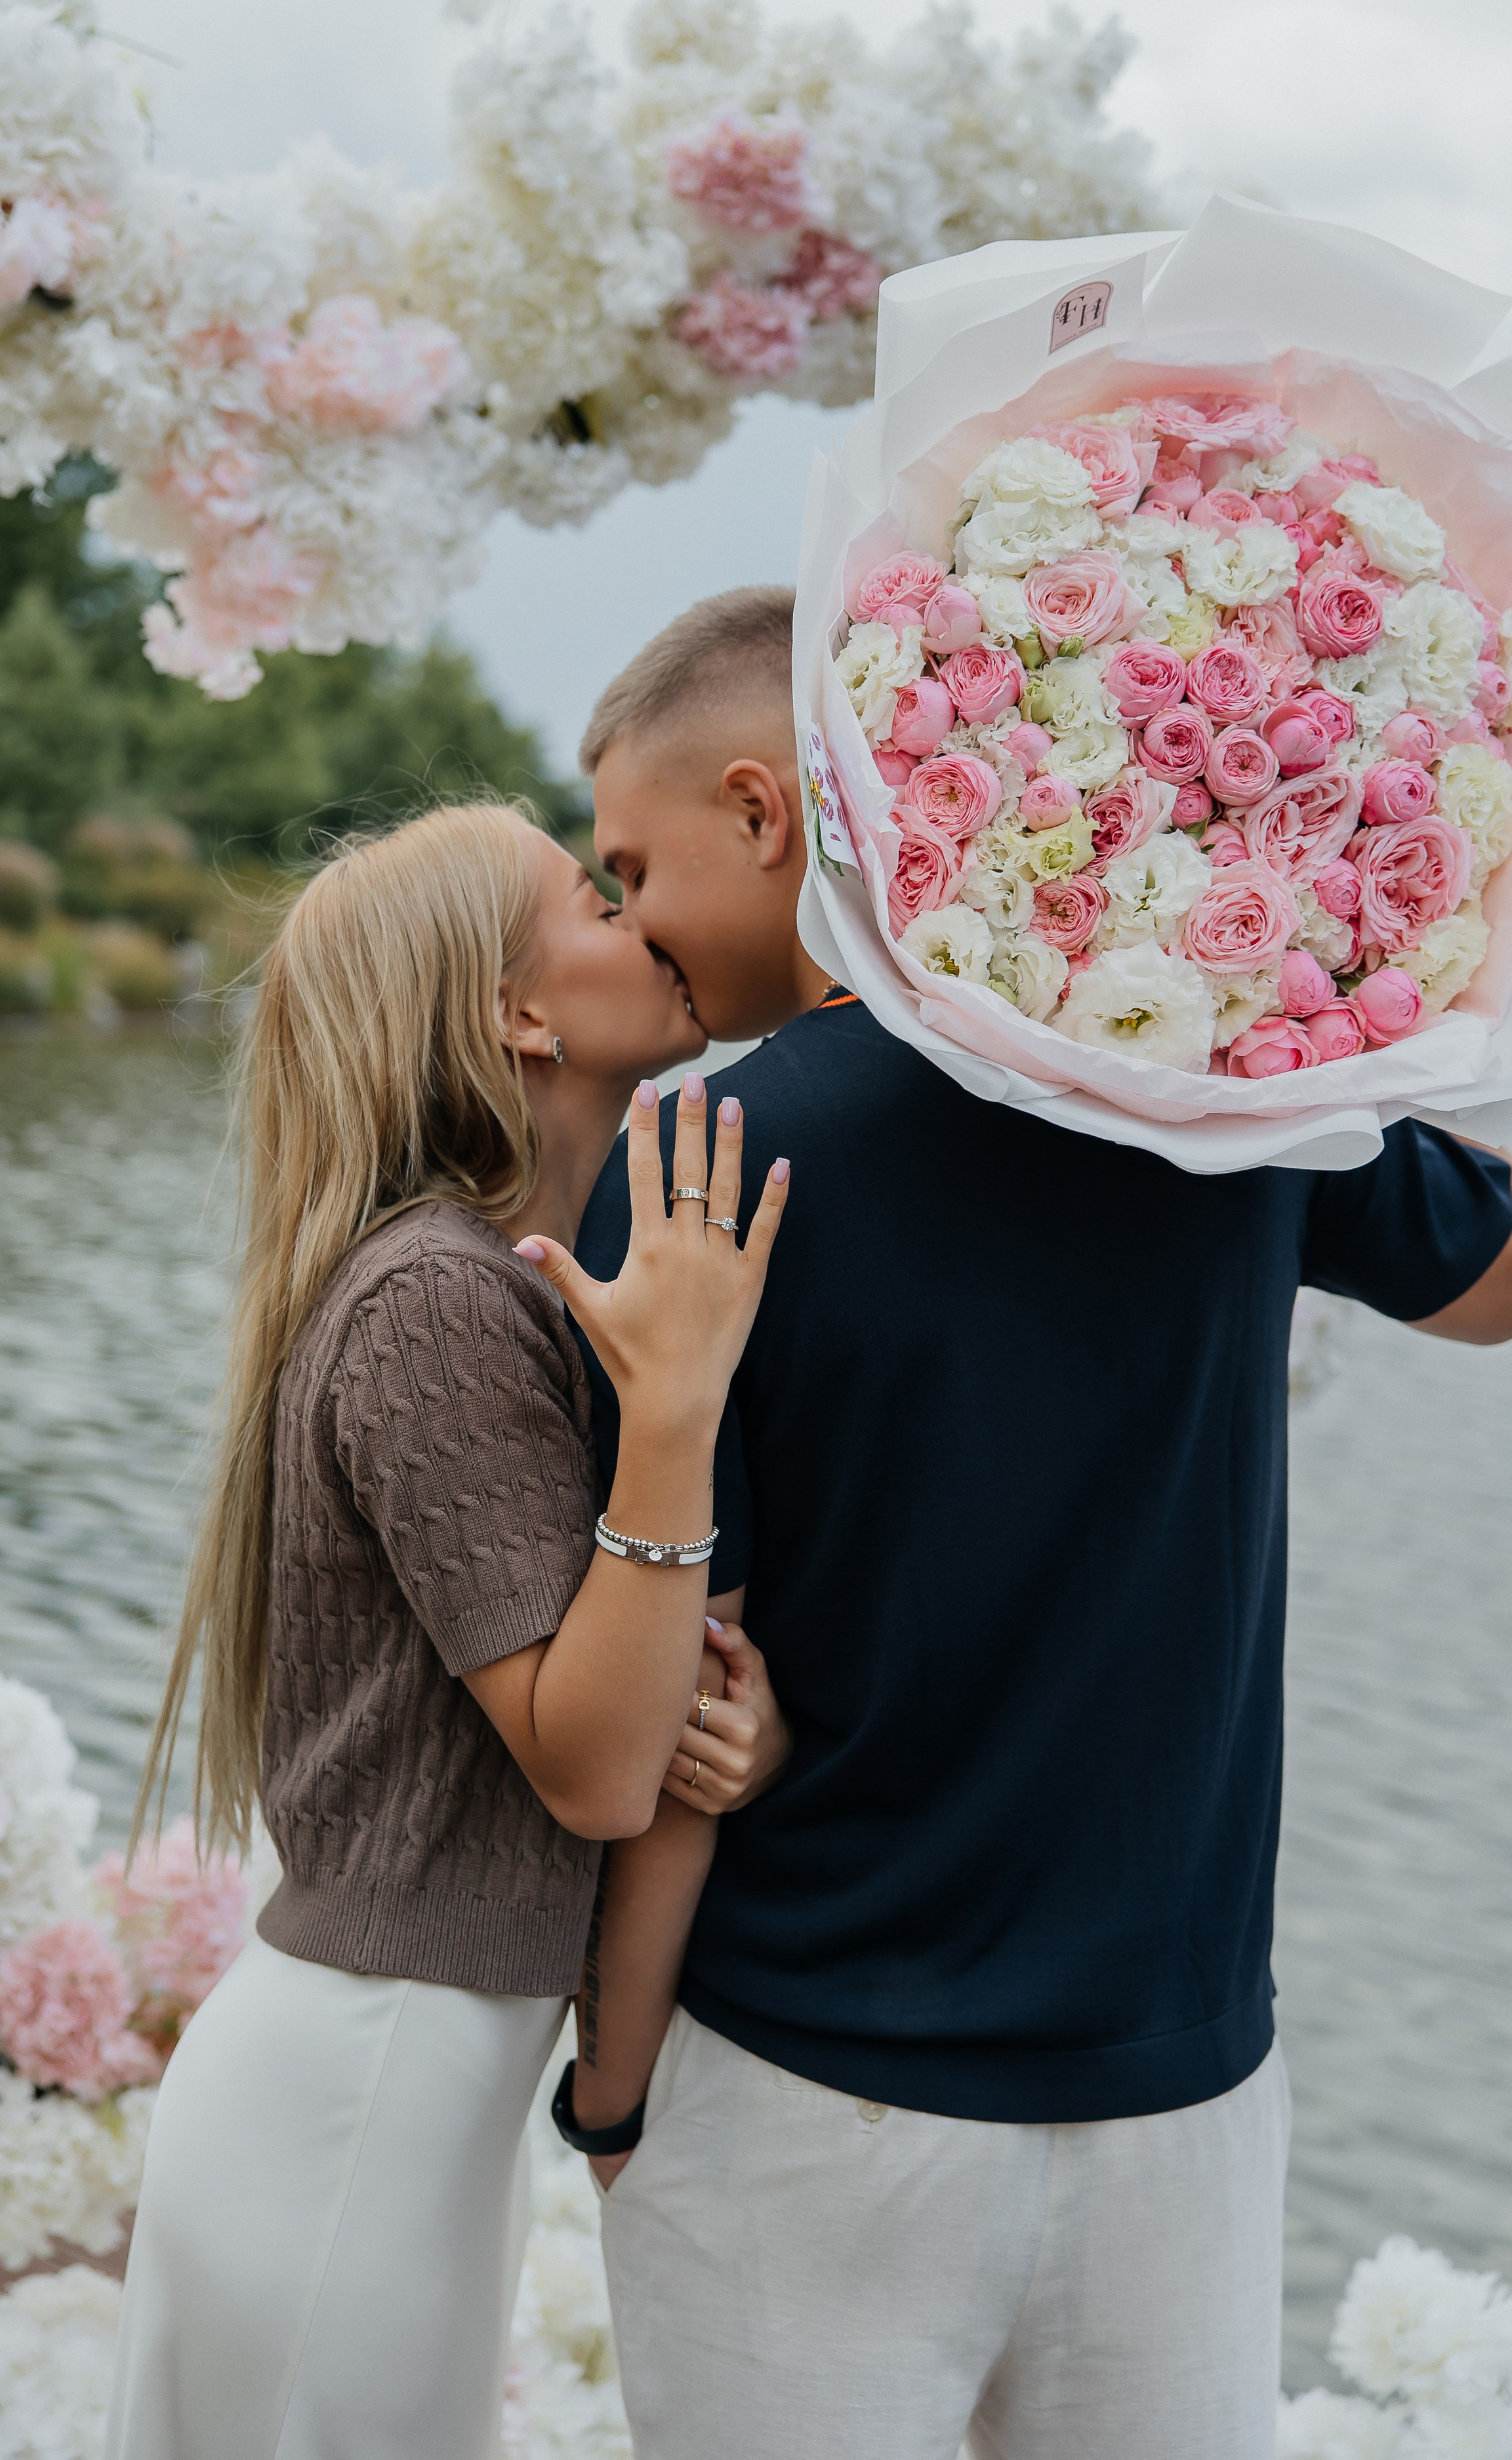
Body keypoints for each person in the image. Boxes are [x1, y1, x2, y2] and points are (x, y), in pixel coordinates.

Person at [560, 586, 1512, 2460]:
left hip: (806, 2077)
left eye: (631, 867)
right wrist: (1371, 945)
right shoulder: (1208, 1097)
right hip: (1181, 2079)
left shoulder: (693, 1163)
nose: (633, 922)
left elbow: (677, 1705)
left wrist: (609, 2084)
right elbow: (1494, 1279)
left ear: (762, 813)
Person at [104, 802, 791, 2460]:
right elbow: (595, 1771)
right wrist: (677, 1402)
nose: (642, 917)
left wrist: (736, 1732)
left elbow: (624, 1708)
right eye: (594, 901)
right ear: (518, 1013)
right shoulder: (436, 1303)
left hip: (402, 2091)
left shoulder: (487, 1283)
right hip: (364, 2097)